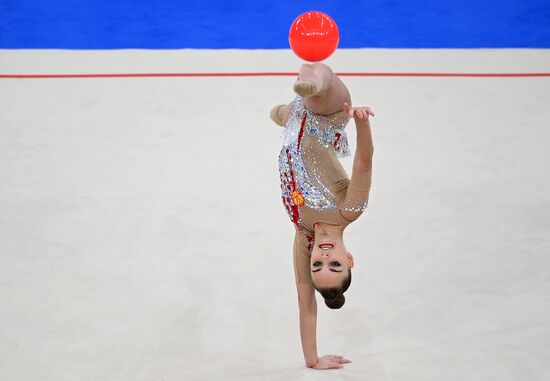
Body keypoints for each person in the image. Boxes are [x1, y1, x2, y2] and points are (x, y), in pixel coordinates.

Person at [269, 62, 375, 370]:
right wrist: (361, 124)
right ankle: (312, 83)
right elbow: (363, 165)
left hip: (294, 126)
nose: (323, 256)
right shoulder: (348, 211)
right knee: (317, 80)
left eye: (317, 264)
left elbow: (306, 304)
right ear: (349, 258)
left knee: (284, 111)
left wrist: (312, 360)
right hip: (330, 117)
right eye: (335, 264)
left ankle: (288, 109)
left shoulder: (304, 236)